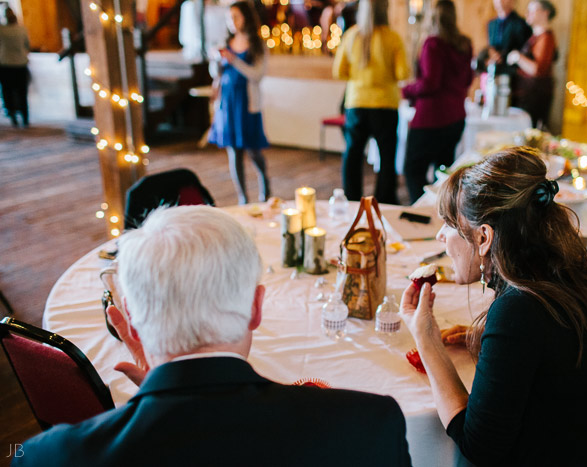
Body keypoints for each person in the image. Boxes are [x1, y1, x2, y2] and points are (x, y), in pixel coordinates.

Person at [15, 205, 412, 467]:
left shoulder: (51, 457)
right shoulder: (370, 425)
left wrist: (157, 394)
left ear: (131, 324)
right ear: (256, 309)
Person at [399, 147, 587, 465]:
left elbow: (478, 446)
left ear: (484, 237)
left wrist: (427, 342)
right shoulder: (558, 278)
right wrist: (495, 340)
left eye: (450, 223)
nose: (441, 236)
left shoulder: (518, 311)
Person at [332, 0, 408, 205]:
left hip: (356, 103)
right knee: (386, 156)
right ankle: (383, 200)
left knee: (353, 153)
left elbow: (338, 71)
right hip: (385, 105)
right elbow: (403, 72)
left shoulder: (351, 36)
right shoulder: (392, 38)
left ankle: (352, 198)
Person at [401, 0, 472, 204]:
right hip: (456, 117)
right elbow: (467, 79)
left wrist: (406, 90)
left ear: (433, 18)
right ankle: (442, 210)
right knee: (443, 171)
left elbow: (430, 83)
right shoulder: (464, 44)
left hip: (431, 119)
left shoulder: (433, 44)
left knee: (413, 169)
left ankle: (423, 210)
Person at [209, 1, 270, 205]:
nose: (232, 22)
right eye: (229, 18)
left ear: (246, 18)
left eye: (236, 17)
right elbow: (216, 74)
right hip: (227, 102)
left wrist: (235, 60)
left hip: (246, 102)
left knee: (253, 149)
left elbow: (257, 75)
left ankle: (265, 183)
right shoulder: (227, 43)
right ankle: (243, 198)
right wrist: (217, 61)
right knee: (233, 151)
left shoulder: (257, 45)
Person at [507, 0, 557, 129]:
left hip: (535, 97)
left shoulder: (545, 38)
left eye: (532, 10)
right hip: (525, 94)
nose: (527, 13)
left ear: (545, 13)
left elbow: (537, 70)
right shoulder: (535, 36)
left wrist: (517, 57)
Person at [475, 0, 531, 75]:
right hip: (495, 72)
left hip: (512, 72)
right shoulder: (491, 24)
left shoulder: (521, 24)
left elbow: (524, 50)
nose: (500, 1)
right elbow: (491, 46)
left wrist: (502, 57)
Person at [0, 7, 30, 127]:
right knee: (22, 92)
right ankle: (25, 117)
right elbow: (27, 45)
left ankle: (12, 115)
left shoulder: (1, 30)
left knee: (8, 92)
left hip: (6, 64)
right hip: (20, 64)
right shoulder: (22, 29)